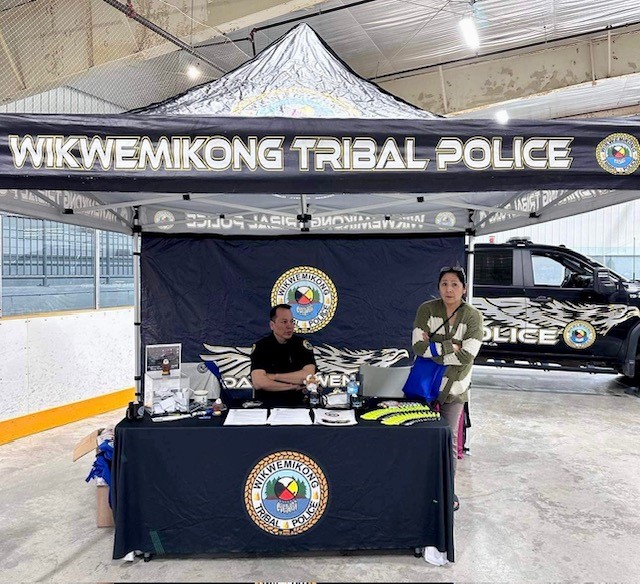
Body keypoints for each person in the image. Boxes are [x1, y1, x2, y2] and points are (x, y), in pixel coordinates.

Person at [411, 266, 483, 512]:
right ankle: (420, 487)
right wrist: (452, 346)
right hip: (425, 387)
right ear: (438, 286)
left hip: (455, 387)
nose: (449, 289)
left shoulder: (473, 316)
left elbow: (468, 356)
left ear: (464, 288)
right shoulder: (427, 310)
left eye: (454, 284)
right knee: (423, 437)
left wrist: (436, 348)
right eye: (444, 284)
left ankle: (447, 490)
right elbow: (418, 348)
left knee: (449, 439)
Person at [250, 303, 317, 407]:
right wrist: (291, 386)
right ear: (272, 325)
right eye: (284, 322)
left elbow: (307, 376)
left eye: (291, 321)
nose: (289, 326)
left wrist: (273, 376)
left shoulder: (301, 345)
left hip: (298, 403)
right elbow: (259, 383)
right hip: (269, 404)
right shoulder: (261, 347)